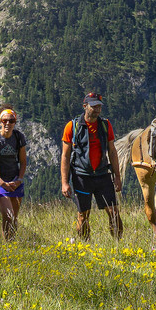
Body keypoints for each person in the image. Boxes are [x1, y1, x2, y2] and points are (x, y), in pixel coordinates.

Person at [60, 92, 122, 241]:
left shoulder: (105, 125)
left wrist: (117, 177)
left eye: (99, 106)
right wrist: (65, 182)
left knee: (114, 212)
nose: (97, 109)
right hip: (81, 176)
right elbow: (65, 156)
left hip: (102, 174)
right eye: (94, 106)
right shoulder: (72, 126)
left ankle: (117, 245)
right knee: (83, 215)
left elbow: (112, 152)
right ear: (85, 106)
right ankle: (85, 245)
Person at [0, 107, 28, 241]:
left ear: (15, 122)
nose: (8, 123)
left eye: (11, 120)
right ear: (0, 121)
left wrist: (19, 179)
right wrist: (1, 182)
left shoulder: (19, 137)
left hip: (15, 182)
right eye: (5, 120)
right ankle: (7, 244)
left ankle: (11, 245)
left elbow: (23, 162)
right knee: (8, 215)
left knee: (14, 217)